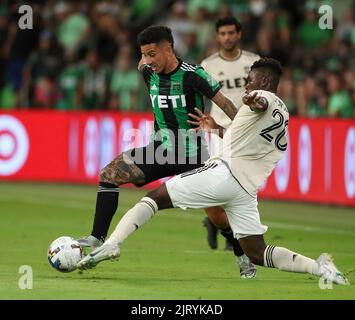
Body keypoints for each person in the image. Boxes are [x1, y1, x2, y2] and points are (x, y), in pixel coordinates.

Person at [77, 58, 349, 287]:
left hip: (224, 174)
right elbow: (243, 138)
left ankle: (112, 243)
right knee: (257, 252)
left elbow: (259, 101)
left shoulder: (263, 98)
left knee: (155, 197)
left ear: (264, 83)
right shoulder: (284, 115)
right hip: (244, 191)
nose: (247, 85)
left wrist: (253, 99)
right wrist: (216, 128)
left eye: (250, 80)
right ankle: (320, 267)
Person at [77, 25, 256, 278]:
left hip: (192, 157)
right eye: (144, 55)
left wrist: (235, 133)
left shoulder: (195, 76)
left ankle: (242, 254)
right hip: (159, 151)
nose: (148, 61)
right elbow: (144, 64)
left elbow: (226, 104)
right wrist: (145, 58)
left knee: (217, 216)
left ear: (168, 49)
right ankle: (97, 238)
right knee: (109, 173)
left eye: (152, 54)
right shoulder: (147, 72)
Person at [200, 16, 259, 254]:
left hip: (246, 131)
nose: (227, 37)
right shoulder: (208, 65)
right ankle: (222, 225)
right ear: (217, 37)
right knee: (221, 183)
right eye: (222, 34)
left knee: (244, 185)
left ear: (239, 34)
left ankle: (218, 223)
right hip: (218, 131)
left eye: (231, 33)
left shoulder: (254, 62)